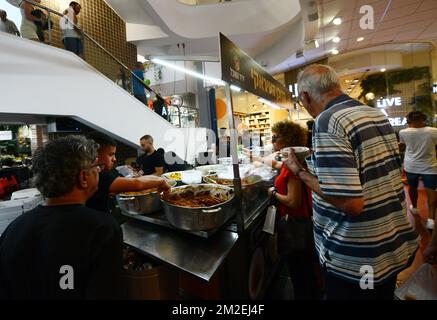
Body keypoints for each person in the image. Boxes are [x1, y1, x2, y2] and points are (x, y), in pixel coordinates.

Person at [284, 64, 419, 300]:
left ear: (305, 96)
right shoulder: (375, 113)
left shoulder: (327, 121)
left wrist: (300, 172)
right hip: (389, 243)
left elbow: (349, 203)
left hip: (356, 256)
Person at [0, 136, 123, 299]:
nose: (99, 170)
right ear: (83, 178)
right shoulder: (102, 229)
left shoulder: (13, 229)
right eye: (96, 166)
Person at [264, 121, 319, 300]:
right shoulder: (294, 161)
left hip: (296, 224)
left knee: (300, 273)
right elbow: (276, 165)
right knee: (304, 272)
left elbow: (293, 202)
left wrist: (273, 193)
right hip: (304, 222)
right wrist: (252, 157)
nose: (272, 140)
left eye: (275, 137)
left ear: (286, 139)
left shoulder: (291, 166)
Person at [85, 132, 170, 213]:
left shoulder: (157, 156)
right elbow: (137, 183)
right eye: (110, 154)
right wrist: (161, 181)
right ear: (95, 155)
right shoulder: (98, 176)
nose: (114, 159)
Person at [399, 111, 437, 231]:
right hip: (430, 165)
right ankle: (431, 219)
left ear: (409, 121)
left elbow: (403, 145)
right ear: (423, 119)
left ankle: (414, 207)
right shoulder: (433, 131)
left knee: (412, 188)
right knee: (431, 191)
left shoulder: (403, 132)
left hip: (411, 166)